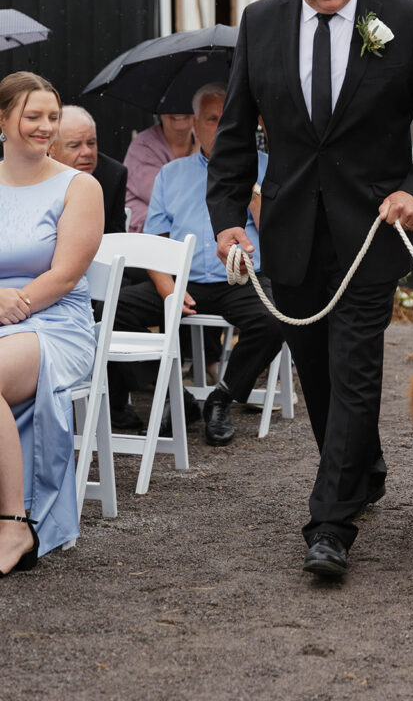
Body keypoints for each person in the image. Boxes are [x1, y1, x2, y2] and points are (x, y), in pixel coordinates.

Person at [207, 0, 413, 579]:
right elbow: (233, 137)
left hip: (371, 229)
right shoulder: (261, 24)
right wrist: (228, 217)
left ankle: (329, 524)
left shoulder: (404, 16)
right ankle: (364, 470)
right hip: (288, 229)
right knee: (317, 372)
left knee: (353, 366)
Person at [112, 83, 283, 445]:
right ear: (194, 123)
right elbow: (155, 241)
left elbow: (281, 238)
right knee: (107, 309)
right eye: (212, 119)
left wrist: (253, 189)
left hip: (241, 280)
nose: (221, 128)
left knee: (273, 318)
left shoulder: (267, 168)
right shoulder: (171, 175)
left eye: (229, 120)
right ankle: (180, 395)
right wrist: (167, 288)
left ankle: (223, 396)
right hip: (182, 281)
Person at [0, 72, 104, 574]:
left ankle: (15, 524)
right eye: (32, 116)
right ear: (2, 120)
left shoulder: (79, 186)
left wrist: (12, 303)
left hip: (54, 324)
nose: (45, 127)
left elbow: (65, 275)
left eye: (52, 117)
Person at [49, 105, 127, 233]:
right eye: (75, 145)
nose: (87, 152)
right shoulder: (30, 174)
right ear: (51, 148)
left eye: (91, 143)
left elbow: (115, 237)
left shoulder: (113, 175)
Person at [124, 112, 196, 233]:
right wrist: (197, 151)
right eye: (172, 104)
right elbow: (174, 200)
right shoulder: (143, 146)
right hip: (146, 239)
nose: (179, 111)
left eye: (186, 103)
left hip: (191, 230)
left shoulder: (205, 138)